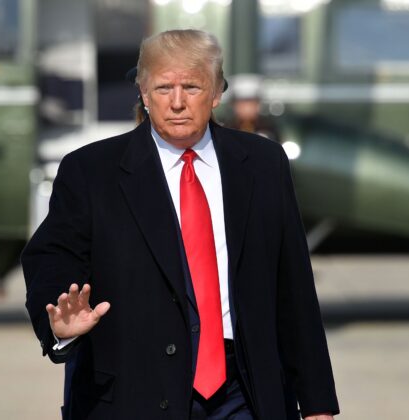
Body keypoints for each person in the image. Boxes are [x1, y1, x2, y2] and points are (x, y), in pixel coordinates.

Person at [22, 30, 338, 419]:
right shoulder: (91, 171)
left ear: (217, 93)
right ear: (142, 91)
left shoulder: (263, 165)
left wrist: (318, 403)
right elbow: (53, 258)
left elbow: (294, 288)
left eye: (191, 87)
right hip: (132, 392)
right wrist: (59, 318)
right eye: (162, 87)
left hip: (244, 392)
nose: (176, 102)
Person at [225, 74, 280, 143]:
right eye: (242, 103)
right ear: (233, 105)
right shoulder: (226, 128)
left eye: (251, 103)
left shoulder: (268, 128)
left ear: (258, 104)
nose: (247, 108)